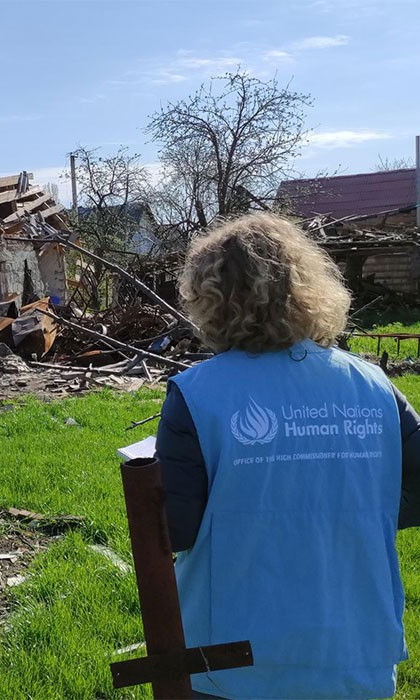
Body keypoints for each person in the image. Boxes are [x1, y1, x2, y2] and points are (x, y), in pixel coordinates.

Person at [154, 213, 420, 699]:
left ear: (208, 298)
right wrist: (342, 512)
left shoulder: (197, 394)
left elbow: (176, 528)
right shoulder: (376, 388)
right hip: (355, 655)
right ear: (308, 287)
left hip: (232, 660)